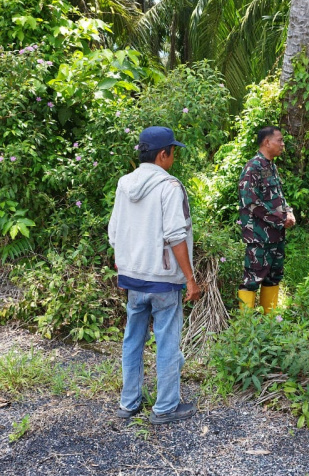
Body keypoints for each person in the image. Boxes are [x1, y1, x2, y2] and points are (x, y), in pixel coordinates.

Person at [108, 126, 200, 425]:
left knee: (132, 339)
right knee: (168, 341)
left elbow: (114, 232)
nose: (173, 157)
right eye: (173, 152)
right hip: (163, 279)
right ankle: (165, 408)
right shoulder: (169, 186)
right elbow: (175, 235)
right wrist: (190, 278)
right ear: (163, 154)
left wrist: (124, 263)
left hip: (132, 276)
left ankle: (129, 403)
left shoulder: (124, 184)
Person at [237, 126, 296, 313]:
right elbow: (251, 202)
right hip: (259, 236)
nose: (282, 144)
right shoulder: (252, 167)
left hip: (276, 236)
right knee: (252, 280)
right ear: (267, 142)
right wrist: (280, 219)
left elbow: (279, 196)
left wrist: (289, 212)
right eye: (279, 140)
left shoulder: (271, 166)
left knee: (273, 277)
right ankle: (245, 326)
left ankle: (268, 323)